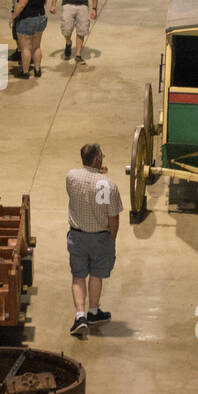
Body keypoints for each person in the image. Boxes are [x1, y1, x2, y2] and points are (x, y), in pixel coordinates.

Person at [64, 143, 122, 337]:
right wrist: (111, 239)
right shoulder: (109, 186)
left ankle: (80, 316)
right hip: (100, 237)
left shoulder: (71, 177)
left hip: (77, 236)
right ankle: (93, 312)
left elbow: (87, 182)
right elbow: (113, 217)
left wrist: (97, 171)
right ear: (98, 160)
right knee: (96, 274)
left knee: (78, 275)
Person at [9, 0, 47, 78]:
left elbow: (21, 5)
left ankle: (25, 72)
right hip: (41, 18)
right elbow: (44, 2)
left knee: (25, 48)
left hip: (27, 19)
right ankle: (37, 70)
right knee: (36, 46)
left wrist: (13, 17)